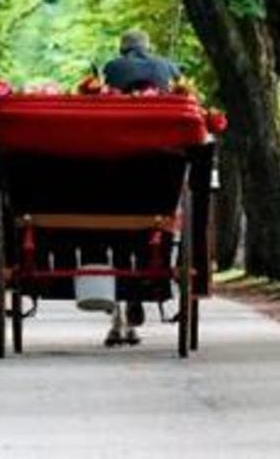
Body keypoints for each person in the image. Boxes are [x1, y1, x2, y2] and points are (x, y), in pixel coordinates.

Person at [102, 29, 180, 347]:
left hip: (118, 165)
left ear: (123, 51)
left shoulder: (113, 69)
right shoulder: (169, 68)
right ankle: (146, 288)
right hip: (161, 175)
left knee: (119, 247)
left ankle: (120, 313)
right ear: (148, 48)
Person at [103, 29, 180, 93]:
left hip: (123, 110)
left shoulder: (112, 66)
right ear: (147, 46)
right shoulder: (169, 65)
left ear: (121, 48)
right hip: (163, 110)